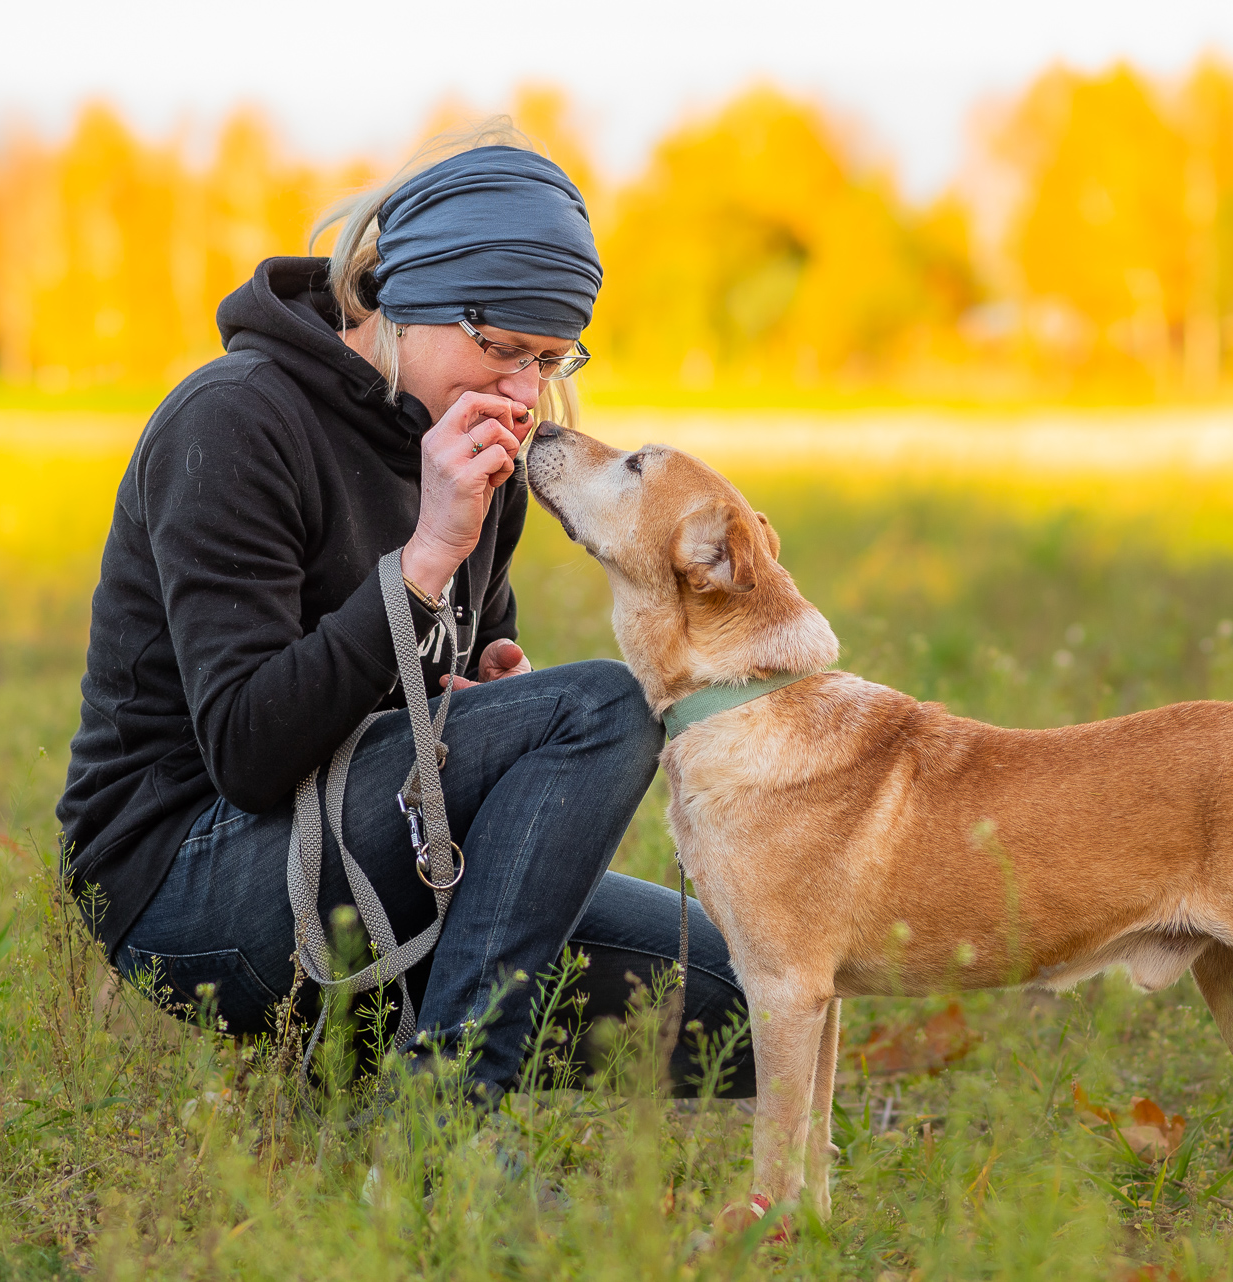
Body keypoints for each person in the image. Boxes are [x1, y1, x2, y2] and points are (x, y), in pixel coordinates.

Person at [55, 121, 752, 1102]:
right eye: (499, 348)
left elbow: (416, 699)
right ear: (397, 297)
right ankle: (451, 1115)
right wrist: (424, 560)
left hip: (375, 847)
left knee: (740, 999)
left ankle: (366, 1036)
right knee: (610, 702)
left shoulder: (487, 456)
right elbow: (249, 752)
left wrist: (479, 701)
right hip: (188, 879)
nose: (523, 393)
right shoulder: (232, 421)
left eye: (550, 360)